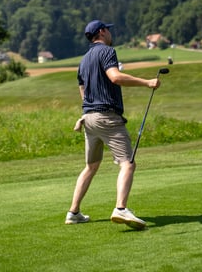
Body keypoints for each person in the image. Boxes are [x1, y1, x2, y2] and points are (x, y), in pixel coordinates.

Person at [65, 20, 161, 229]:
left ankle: (73, 212)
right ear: (102, 32)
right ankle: (120, 208)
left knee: (91, 166)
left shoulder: (83, 60)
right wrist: (147, 82)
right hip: (107, 117)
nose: (110, 33)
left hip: (89, 118)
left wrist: (86, 113)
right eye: (108, 30)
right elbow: (115, 77)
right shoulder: (107, 51)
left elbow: (83, 92)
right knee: (128, 163)